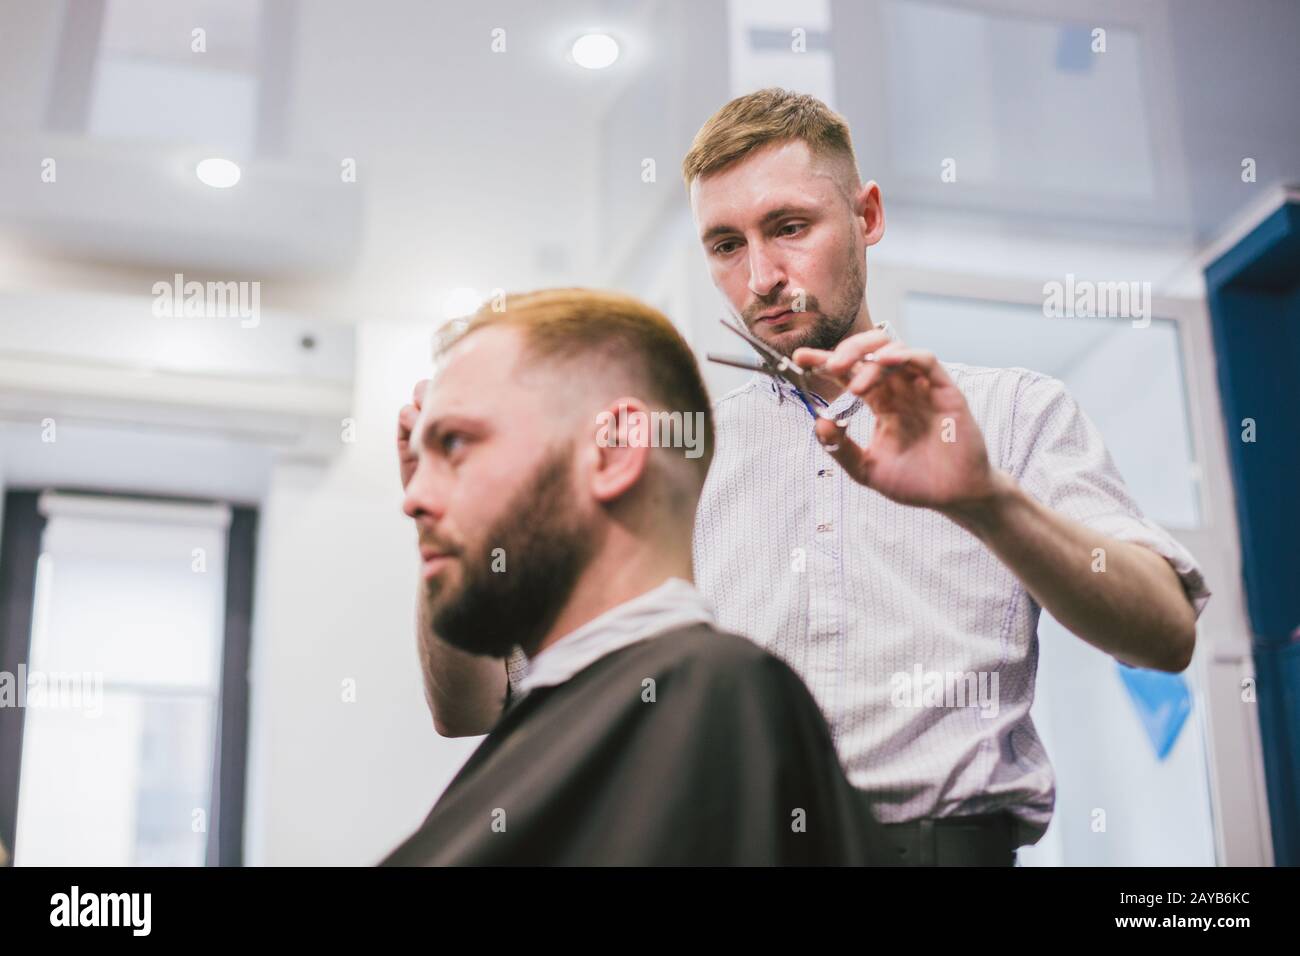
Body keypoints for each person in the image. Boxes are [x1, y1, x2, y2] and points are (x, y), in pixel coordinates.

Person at [403, 91, 1211, 867]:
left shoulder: (1013, 412)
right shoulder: (682, 451)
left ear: (867, 217)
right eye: (725, 245)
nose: (760, 277)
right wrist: (448, 513)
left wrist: (985, 502)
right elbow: (472, 709)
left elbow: (1165, 634)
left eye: (789, 227)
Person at [382, 288, 892, 866]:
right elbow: (462, 710)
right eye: (419, 461)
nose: (414, 499)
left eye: (455, 443)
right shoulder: (575, 711)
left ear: (616, 447)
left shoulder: (713, 697)